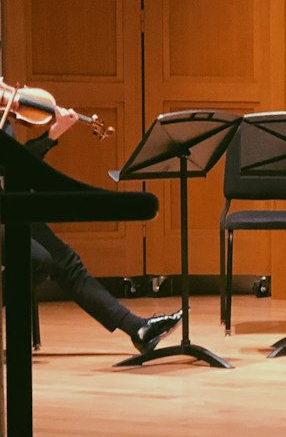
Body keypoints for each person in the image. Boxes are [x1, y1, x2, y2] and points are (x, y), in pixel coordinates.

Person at [17, 104, 182, 354]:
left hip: (9, 206)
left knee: (65, 260)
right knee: (40, 261)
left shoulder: (4, 121)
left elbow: (18, 168)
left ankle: (137, 328)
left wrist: (53, 133)